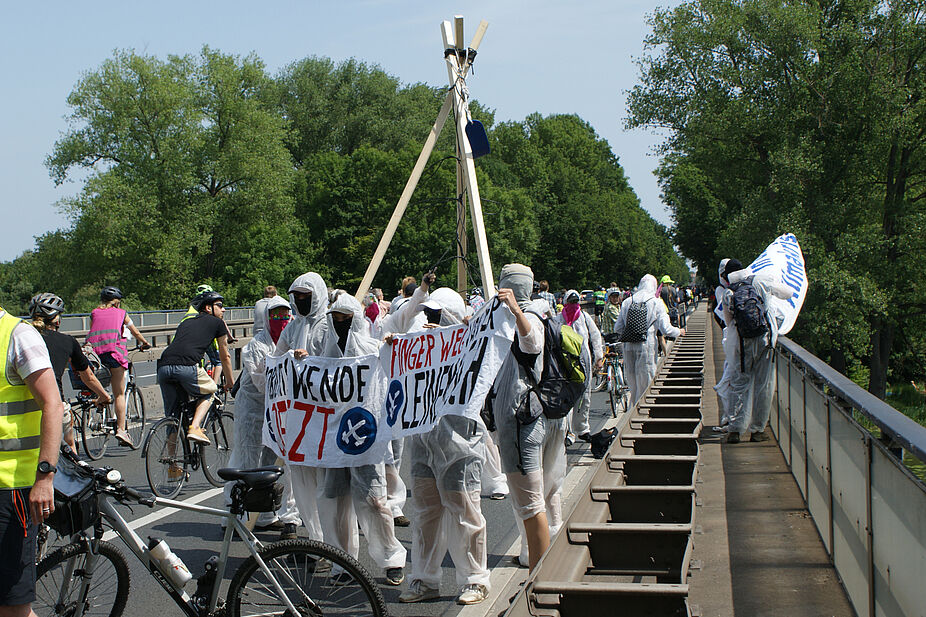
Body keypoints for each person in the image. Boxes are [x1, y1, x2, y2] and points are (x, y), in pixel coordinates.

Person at [395, 277, 491, 606]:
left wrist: (468, 332)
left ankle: (475, 579)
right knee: (425, 514)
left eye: (438, 316)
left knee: (465, 512)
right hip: (423, 442)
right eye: (429, 315)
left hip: (459, 442)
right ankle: (424, 579)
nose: (431, 321)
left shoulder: (470, 347)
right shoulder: (419, 343)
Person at [306, 293, 407, 586]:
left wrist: (390, 350)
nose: (340, 325)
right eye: (335, 319)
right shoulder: (324, 354)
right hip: (333, 440)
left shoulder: (371, 349)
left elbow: (390, 374)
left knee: (375, 500)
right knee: (335, 501)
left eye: (345, 319)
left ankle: (391, 559)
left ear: (356, 320)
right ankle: (342, 562)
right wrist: (301, 361)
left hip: (365, 436)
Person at [490, 264, 567, 571]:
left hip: (522, 419)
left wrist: (515, 312)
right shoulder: (540, 312)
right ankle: (548, 555)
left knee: (530, 501)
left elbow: (532, 343)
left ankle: (540, 573)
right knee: (545, 494)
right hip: (541, 416)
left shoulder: (528, 317)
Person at [0, 303, 64, 616]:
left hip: (11, 490)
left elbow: (53, 404)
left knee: (12, 607)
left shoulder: (17, 335)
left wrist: (45, 477)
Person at [222, 294, 302, 539]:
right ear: (266, 318)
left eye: (285, 315)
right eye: (275, 315)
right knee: (247, 460)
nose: (281, 320)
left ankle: (267, 515)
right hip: (254, 409)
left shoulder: (293, 340)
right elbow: (261, 383)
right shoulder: (255, 346)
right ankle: (236, 515)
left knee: (274, 461)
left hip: (278, 410)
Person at [273, 272, 329, 544]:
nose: (301, 302)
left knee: (325, 482)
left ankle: (331, 542)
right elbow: (275, 358)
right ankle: (316, 538)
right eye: (297, 297)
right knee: (301, 479)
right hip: (297, 411)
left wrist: (312, 361)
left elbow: (340, 362)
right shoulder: (293, 327)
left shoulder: (330, 324)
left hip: (324, 412)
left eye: (306, 297)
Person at [28, 293, 111, 451]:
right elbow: (89, 377)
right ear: (57, 319)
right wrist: (103, 396)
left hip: (24, 406)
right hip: (54, 404)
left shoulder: (22, 337)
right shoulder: (67, 341)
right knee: (69, 444)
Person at [721, 260, 792, 443]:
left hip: (743, 345)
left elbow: (729, 324)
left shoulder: (729, 292)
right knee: (764, 385)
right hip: (765, 340)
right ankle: (758, 430)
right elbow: (788, 293)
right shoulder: (761, 280)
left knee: (740, 385)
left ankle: (736, 430)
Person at [157, 291, 232, 447]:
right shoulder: (217, 323)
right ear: (208, 308)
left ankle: (172, 464)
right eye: (219, 305)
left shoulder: (186, 321)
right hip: (186, 366)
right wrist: (230, 382)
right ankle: (196, 427)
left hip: (163, 367)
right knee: (210, 391)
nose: (223, 309)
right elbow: (224, 357)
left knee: (173, 416)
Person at [87, 286, 150, 448]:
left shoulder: (94, 313)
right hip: (114, 354)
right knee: (119, 394)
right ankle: (121, 430)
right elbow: (134, 331)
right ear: (117, 302)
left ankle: (97, 413)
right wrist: (144, 342)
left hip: (95, 355)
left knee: (101, 387)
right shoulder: (121, 313)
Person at [613, 275, 685, 405]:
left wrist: (631, 333)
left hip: (628, 347)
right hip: (646, 347)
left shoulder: (627, 301)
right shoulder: (656, 302)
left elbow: (617, 327)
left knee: (633, 387)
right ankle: (643, 413)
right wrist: (679, 331)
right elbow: (666, 329)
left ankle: (631, 411)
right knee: (646, 386)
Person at [557, 290, 604, 444]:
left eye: (575, 302)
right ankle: (568, 431)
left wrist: (599, 356)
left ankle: (582, 428)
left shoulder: (584, 317)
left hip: (583, 360)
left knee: (585, 396)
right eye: (570, 302)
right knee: (567, 396)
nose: (573, 305)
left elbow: (595, 336)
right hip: (566, 360)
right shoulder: (559, 318)